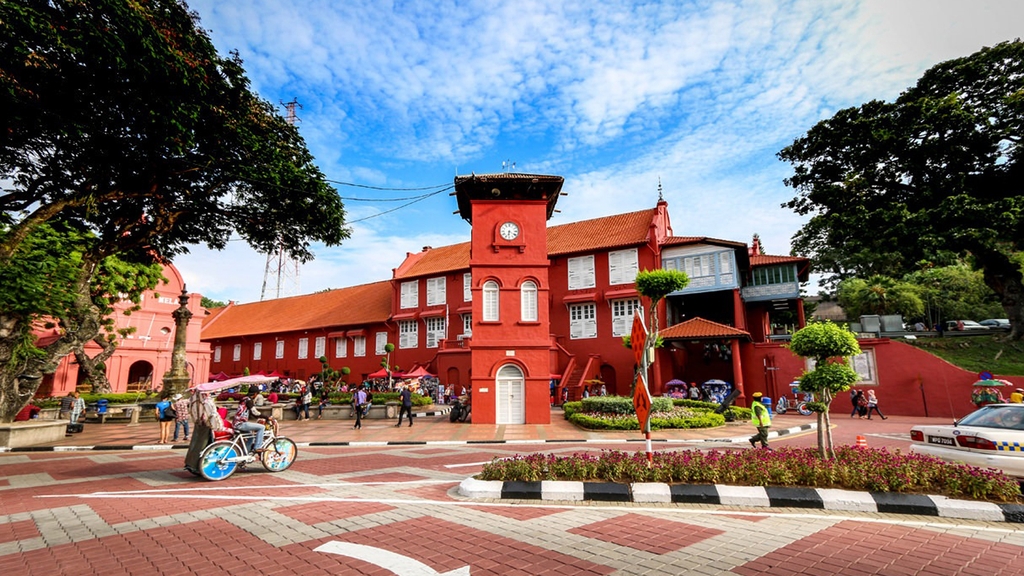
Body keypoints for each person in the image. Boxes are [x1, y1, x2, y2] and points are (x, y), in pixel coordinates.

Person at [184, 389, 226, 474]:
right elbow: (213, 414)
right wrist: (219, 426)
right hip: (206, 424)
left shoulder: (193, 400)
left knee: (195, 444)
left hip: (198, 423)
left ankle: (190, 462)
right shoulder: (207, 402)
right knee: (202, 445)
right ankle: (196, 465)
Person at [233, 387, 267, 453]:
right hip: (241, 424)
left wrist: (260, 417)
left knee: (250, 436)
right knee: (262, 427)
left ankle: (246, 453)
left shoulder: (244, 399)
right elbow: (254, 412)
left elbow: (251, 413)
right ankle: (258, 447)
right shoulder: (248, 400)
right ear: (255, 394)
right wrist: (267, 417)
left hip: (236, 423)